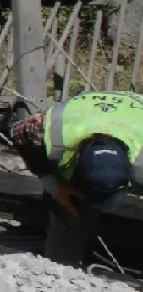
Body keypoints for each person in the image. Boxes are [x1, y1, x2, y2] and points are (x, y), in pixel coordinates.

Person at [10, 91, 143, 268]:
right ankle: (60, 268)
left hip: (131, 119)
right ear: (78, 157)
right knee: (72, 209)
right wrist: (55, 188)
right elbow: (18, 133)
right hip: (83, 118)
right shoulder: (48, 131)